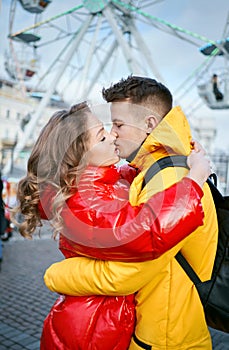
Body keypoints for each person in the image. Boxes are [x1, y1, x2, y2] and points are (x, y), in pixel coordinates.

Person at [13, 101, 210, 350]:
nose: (113, 134)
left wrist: (180, 151)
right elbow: (144, 232)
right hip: (91, 329)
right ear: (78, 156)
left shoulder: (108, 180)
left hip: (105, 317)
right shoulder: (83, 202)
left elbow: (141, 170)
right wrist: (194, 180)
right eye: (102, 134)